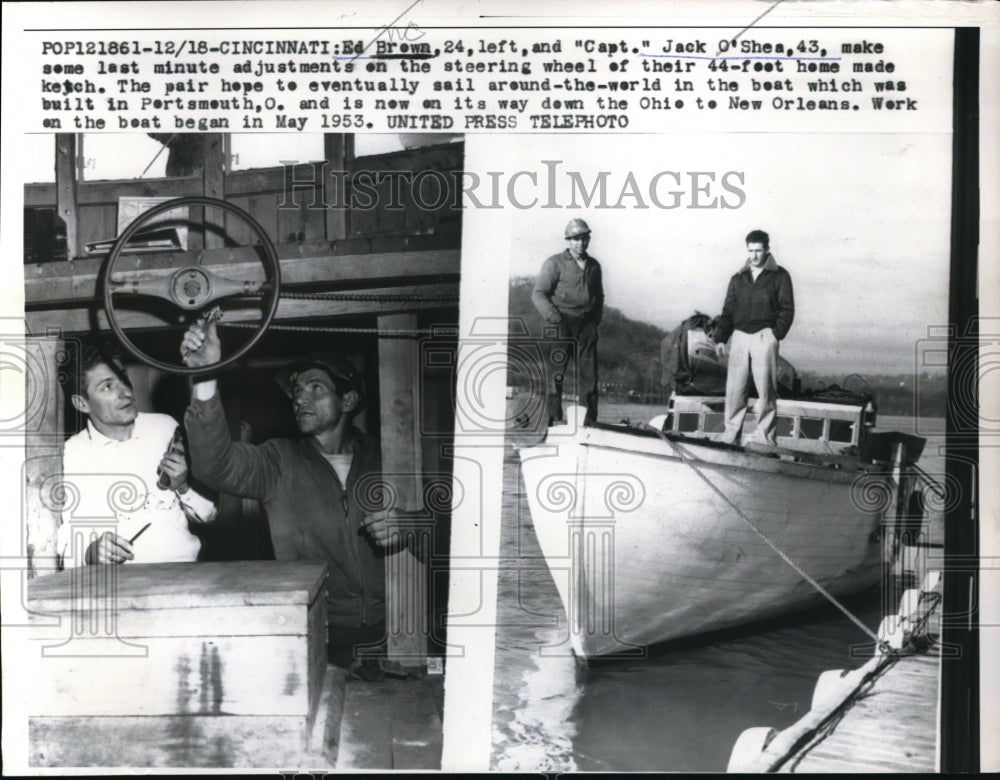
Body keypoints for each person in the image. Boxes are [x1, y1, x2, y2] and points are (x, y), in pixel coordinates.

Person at [179, 319, 393, 671]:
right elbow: (214, 465)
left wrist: (413, 524)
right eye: (296, 391)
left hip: (395, 628)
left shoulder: (391, 456)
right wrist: (205, 375)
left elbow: (452, 526)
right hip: (317, 631)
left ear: (348, 399)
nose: (300, 398)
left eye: (315, 388)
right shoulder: (280, 461)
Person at [58, 342, 217, 566]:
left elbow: (209, 515)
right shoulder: (72, 454)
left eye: (123, 378)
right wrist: (92, 553)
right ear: (82, 403)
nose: (125, 392)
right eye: (107, 386)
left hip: (185, 573)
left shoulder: (166, 427)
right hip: (122, 587)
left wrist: (182, 487)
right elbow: (66, 550)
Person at [714, 229, 795, 446]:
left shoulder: (780, 276)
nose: (754, 256)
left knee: (765, 391)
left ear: (767, 250)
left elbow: (787, 309)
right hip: (739, 337)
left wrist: (775, 335)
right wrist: (721, 337)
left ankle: (766, 442)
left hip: (764, 337)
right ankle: (729, 438)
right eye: (751, 251)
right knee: (735, 391)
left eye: (759, 251)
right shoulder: (738, 279)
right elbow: (728, 311)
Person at [531, 217, 605, 426]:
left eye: (584, 238)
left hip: (587, 325)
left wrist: (595, 320)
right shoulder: (554, 263)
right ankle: (552, 419)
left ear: (588, 239)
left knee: (589, 375)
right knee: (556, 374)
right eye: (575, 239)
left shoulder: (594, 266)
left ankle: (589, 421)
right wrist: (555, 319)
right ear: (568, 240)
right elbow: (538, 294)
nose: (580, 243)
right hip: (561, 323)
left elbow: (599, 296)